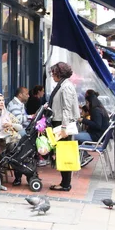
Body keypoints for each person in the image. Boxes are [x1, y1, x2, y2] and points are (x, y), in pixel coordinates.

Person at [49, 62, 80, 192]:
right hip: (60, 122)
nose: (52, 75)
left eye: (53, 73)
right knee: (62, 152)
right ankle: (64, 182)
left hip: (62, 123)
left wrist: (63, 127)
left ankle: (65, 184)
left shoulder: (65, 86)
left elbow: (66, 108)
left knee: (64, 153)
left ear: (58, 73)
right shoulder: (63, 85)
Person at [75, 94, 111, 167]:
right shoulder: (100, 109)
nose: (87, 105)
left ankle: (84, 155)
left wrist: (83, 120)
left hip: (95, 136)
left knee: (73, 136)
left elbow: (97, 125)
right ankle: (84, 155)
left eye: (87, 103)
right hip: (99, 135)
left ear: (91, 102)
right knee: (78, 135)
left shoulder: (96, 111)